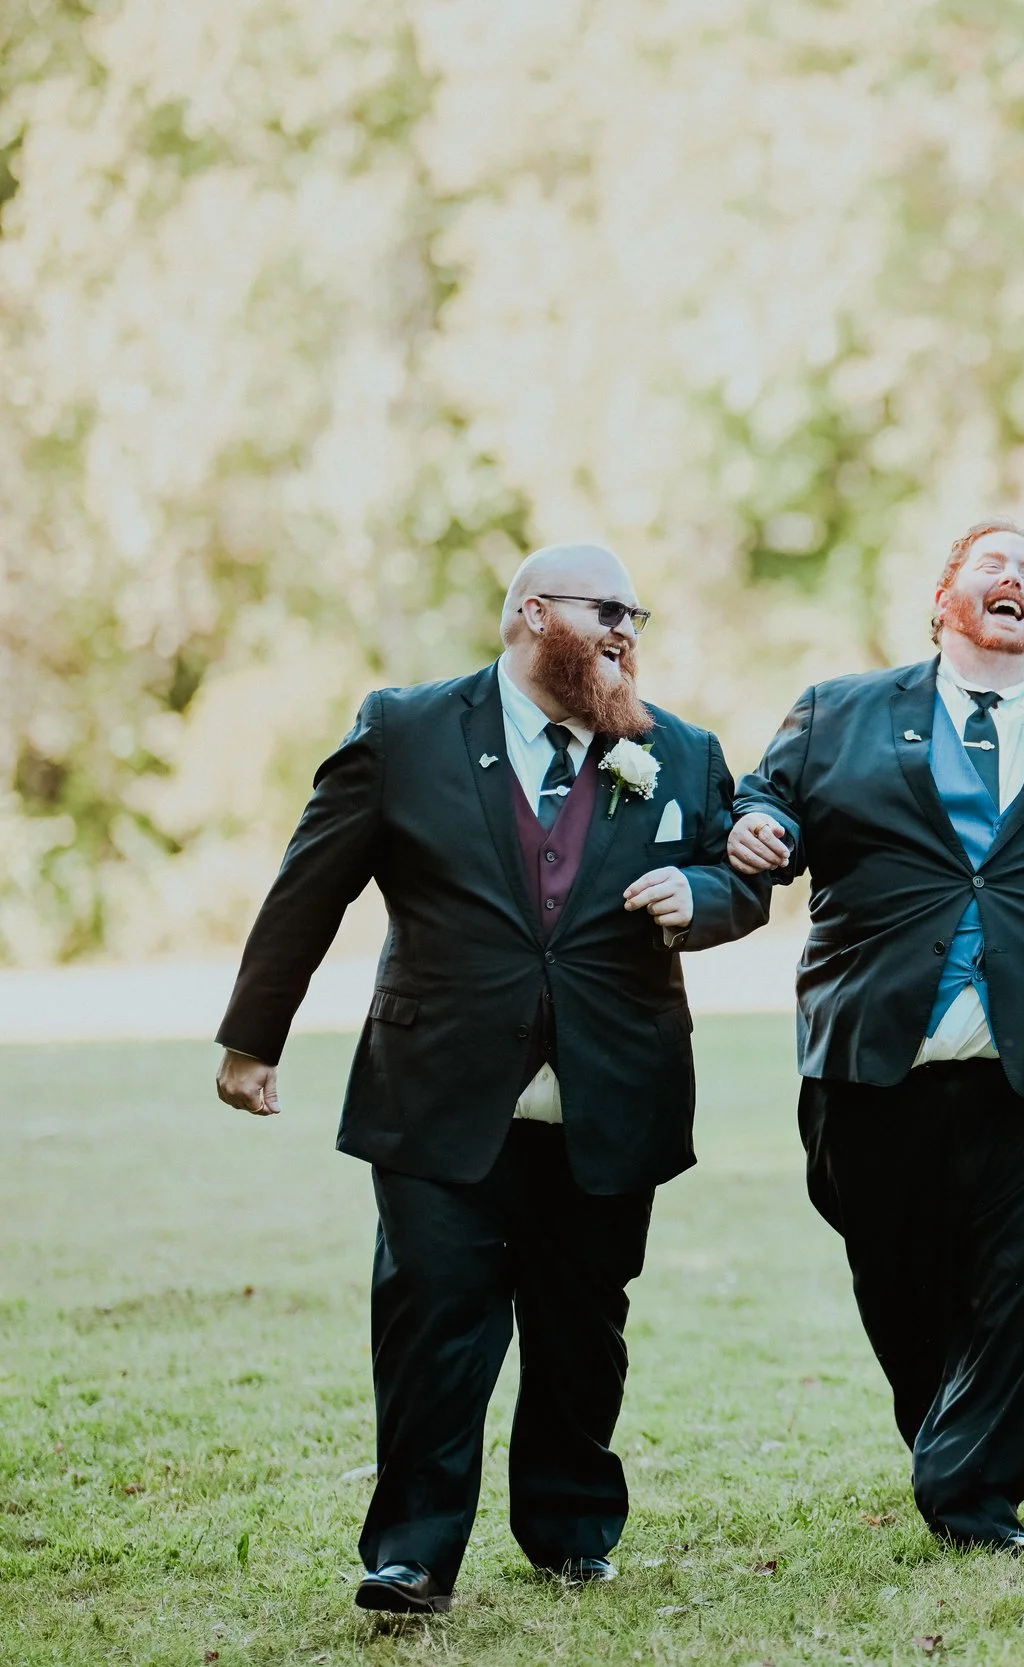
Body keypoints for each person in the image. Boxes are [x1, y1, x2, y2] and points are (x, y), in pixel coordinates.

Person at [214, 543, 764, 1613]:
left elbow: (739, 881)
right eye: (608, 609)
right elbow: (307, 886)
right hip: (436, 1084)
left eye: (639, 616)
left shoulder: (681, 750)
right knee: (432, 1318)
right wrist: (254, 1035)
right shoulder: (405, 730)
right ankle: (412, 1552)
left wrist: (701, 897)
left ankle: (567, 1528)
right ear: (530, 612)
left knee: (582, 1321)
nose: (628, 633)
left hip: (612, 1088)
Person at [725, 519, 1024, 1554]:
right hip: (875, 1056)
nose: (1016, 578)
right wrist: (753, 825)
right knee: (900, 1287)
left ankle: (971, 1491)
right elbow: (766, 806)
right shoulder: (837, 712)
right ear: (943, 596)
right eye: (993, 564)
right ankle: (951, 1442)